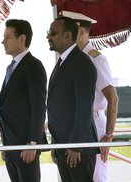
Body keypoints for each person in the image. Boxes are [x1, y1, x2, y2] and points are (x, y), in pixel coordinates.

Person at [61, 11, 119, 182]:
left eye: (69, 30)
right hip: (74, 124)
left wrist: (108, 135)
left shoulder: (95, 58)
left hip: (94, 124)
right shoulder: (68, 60)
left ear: (80, 32)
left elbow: (113, 98)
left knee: (95, 175)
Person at [46, 16, 99, 182]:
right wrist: (56, 143)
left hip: (77, 148)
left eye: (53, 33)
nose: (48, 37)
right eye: (48, 33)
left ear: (68, 36)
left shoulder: (81, 62)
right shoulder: (63, 62)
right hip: (64, 145)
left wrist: (75, 145)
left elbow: (84, 108)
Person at [0, 19, 48, 182]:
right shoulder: (10, 68)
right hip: (11, 145)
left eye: (7, 37)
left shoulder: (33, 66)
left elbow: (39, 106)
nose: (3, 41)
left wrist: (32, 142)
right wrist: (5, 145)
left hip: (25, 145)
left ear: (22, 39)